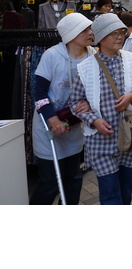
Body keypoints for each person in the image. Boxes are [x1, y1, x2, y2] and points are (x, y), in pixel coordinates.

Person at [69, 13, 132, 205]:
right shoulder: (85, 67)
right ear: (100, 37)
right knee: (110, 192)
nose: (119, 37)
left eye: (121, 32)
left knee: (126, 186)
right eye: (113, 33)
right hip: (100, 140)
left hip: (129, 135)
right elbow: (74, 103)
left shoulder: (131, 60)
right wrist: (94, 120)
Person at [30, 13, 95, 205]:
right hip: (48, 129)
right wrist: (53, 120)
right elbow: (39, 93)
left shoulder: (93, 55)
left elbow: (97, 89)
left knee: (73, 180)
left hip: (74, 127)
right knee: (50, 183)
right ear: (72, 33)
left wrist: (89, 103)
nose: (91, 33)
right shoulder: (52, 55)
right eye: (85, 29)